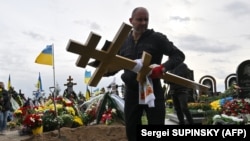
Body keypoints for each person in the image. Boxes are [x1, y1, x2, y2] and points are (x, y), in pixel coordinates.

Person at [104, 7, 185, 141]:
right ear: (131, 21)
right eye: (139, 19)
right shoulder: (123, 42)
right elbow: (117, 64)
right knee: (131, 130)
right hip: (131, 92)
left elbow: (179, 55)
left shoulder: (157, 38)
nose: (143, 23)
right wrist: (105, 72)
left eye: (146, 20)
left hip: (152, 90)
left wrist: (163, 68)